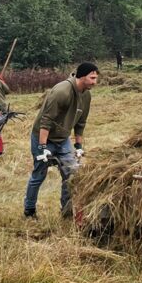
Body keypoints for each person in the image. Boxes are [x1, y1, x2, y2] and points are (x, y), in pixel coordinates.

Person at [24, 62, 99, 219]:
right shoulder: (62, 91)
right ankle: (29, 211)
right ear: (82, 76)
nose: (95, 82)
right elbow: (46, 119)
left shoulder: (86, 95)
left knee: (71, 175)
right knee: (39, 174)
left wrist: (78, 145)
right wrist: (43, 146)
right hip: (43, 136)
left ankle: (66, 211)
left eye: (96, 78)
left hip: (62, 139)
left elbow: (81, 123)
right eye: (92, 78)